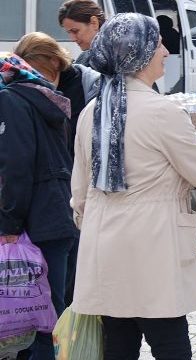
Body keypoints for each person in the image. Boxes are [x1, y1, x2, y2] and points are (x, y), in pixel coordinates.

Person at [70, 13, 196, 360]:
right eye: (159, 43)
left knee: (118, 343)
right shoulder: (161, 111)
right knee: (170, 343)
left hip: (105, 247)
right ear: (142, 53)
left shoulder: (93, 110)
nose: (166, 51)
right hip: (152, 247)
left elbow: (80, 191)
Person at [13, 31, 99, 307]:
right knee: (59, 298)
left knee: (51, 303)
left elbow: (17, 166)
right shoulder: (47, 95)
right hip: (61, 202)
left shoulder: (83, 84)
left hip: (55, 207)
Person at [0, 53, 77, 360]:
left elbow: (15, 167)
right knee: (47, 315)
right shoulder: (39, 97)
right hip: (56, 216)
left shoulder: (9, 101)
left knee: (39, 322)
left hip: (36, 222)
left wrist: (9, 224)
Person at [58, 0, 106, 66]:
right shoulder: (83, 60)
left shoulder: (119, 53)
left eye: (75, 31)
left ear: (94, 23)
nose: (73, 39)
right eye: (69, 32)